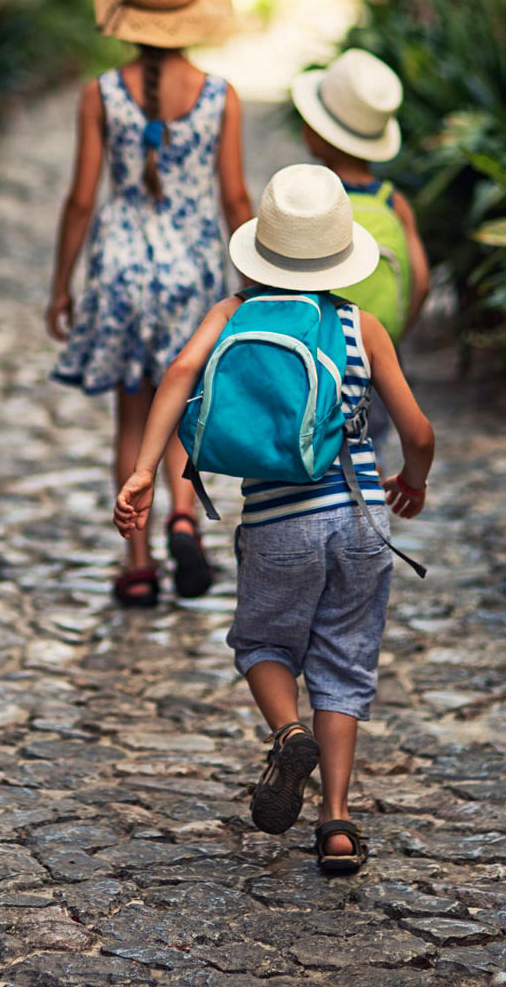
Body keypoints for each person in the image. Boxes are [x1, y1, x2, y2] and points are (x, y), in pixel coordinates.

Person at [113, 165, 435, 874]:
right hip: (359, 523)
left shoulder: (232, 313)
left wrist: (142, 469)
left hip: (277, 523)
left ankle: (288, 731)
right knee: (344, 663)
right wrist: (411, 480)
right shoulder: (362, 326)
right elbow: (416, 429)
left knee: (262, 643)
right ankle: (338, 825)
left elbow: (176, 375)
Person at [47, 0, 252, 608]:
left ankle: (136, 564)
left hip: (118, 269)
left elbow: (81, 198)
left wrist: (61, 285)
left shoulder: (101, 93)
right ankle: (183, 518)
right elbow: (235, 200)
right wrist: (251, 290)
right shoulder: (222, 98)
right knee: (183, 409)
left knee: (132, 419)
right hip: (192, 271)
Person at [292, 49, 430, 451]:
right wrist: (391, 333)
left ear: (319, 132)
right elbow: (420, 281)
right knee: (368, 442)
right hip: (375, 351)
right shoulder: (393, 202)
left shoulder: (308, 196)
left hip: (311, 350)